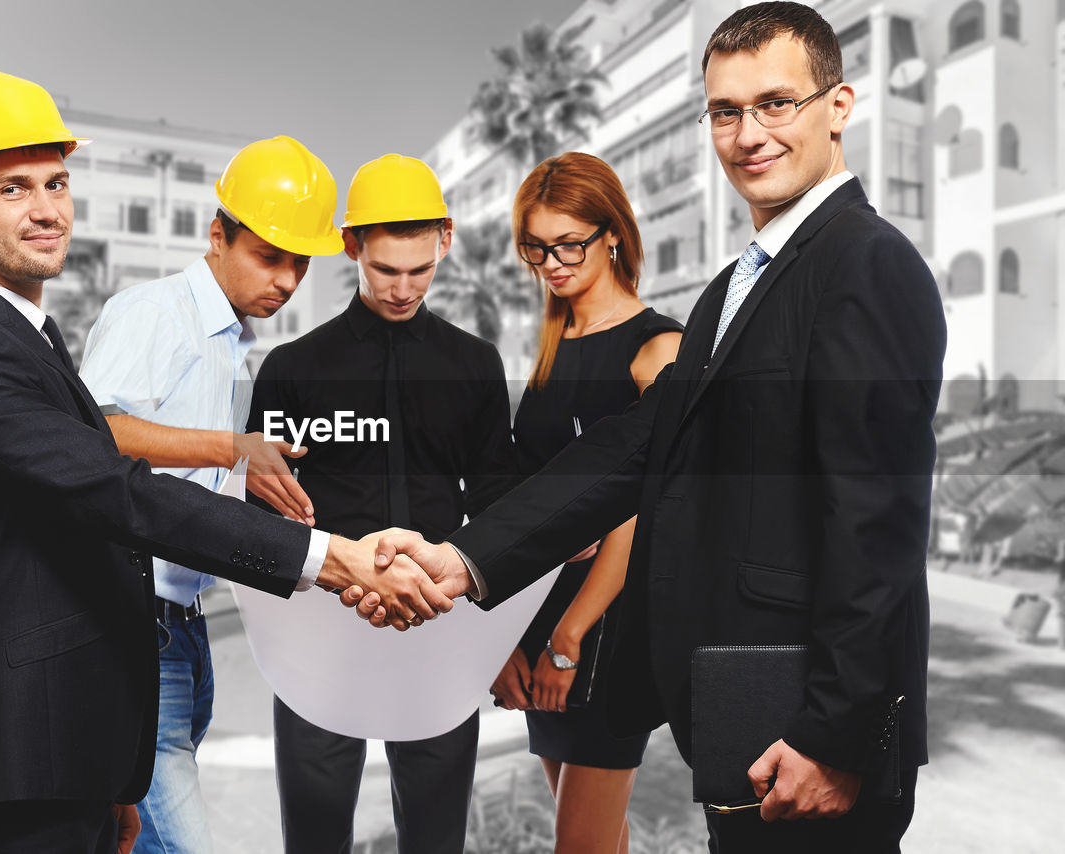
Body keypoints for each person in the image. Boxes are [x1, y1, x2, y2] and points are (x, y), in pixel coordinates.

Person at [359, 4, 946, 852]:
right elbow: (636, 446)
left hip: (811, 723)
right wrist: (463, 559)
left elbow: (877, 519)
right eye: (724, 111)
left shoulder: (867, 263)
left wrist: (837, 733)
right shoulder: (733, 290)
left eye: (776, 103)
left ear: (838, 106)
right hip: (744, 701)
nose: (748, 134)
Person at [0, 70, 449, 854]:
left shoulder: (28, 341)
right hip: (4, 762)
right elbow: (115, 489)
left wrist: (117, 773)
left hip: (71, 738)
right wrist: (336, 559)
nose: (47, 209)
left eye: (56, 182)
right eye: (12, 190)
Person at [246, 154, 516, 854]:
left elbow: (492, 502)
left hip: (439, 630)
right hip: (320, 628)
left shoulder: (476, 365)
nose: (402, 288)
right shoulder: (291, 370)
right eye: (385, 270)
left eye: (419, 270)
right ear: (351, 247)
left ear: (445, 243)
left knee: (435, 838)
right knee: (313, 835)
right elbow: (267, 516)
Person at [77, 135, 340, 854]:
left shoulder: (232, 343)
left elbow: (176, 473)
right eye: (269, 256)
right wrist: (232, 448)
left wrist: (245, 477)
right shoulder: (156, 313)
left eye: (300, 263)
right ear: (217, 235)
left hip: (183, 629)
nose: (287, 280)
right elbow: (96, 432)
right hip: (132, 629)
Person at [488, 152, 680, 854]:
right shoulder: (546, 350)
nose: (552, 262)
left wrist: (569, 639)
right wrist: (505, 634)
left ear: (613, 235)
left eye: (569, 242)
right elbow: (522, 503)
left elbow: (640, 511)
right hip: (539, 614)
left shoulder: (658, 348)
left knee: (582, 848)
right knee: (602, 842)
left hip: (610, 627)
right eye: (536, 247)